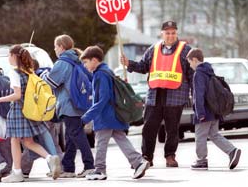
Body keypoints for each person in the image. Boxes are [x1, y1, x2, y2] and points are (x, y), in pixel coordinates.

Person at [121, 21, 194, 167]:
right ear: (162, 34)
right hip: (154, 96)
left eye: (173, 32)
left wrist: (194, 94)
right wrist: (129, 63)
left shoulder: (185, 50)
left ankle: (170, 156)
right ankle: (147, 157)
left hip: (176, 96)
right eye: (167, 33)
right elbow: (143, 66)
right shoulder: (153, 49)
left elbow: (191, 73)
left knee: (172, 129)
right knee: (149, 128)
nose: (170, 35)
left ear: (177, 33)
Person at [80, 45, 149, 180]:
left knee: (100, 141)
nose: (84, 65)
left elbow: (103, 98)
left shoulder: (100, 74)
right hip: (115, 114)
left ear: (94, 60)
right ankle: (138, 162)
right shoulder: (107, 71)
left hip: (105, 116)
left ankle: (99, 170)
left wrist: (86, 117)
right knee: (121, 138)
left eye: (85, 62)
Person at [0, 45, 61, 183]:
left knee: (14, 140)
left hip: (17, 111)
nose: (8, 58)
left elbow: (16, 95)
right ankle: (50, 158)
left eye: (9, 55)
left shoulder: (14, 73)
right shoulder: (28, 71)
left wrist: (0, 99)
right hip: (28, 110)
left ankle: (17, 172)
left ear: (14, 56)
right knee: (28, 141)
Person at [42, 35, 95, 178]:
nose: (54, 49)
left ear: (61, 47)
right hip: (79, 103)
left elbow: (50, 84)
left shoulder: (62, 62)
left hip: (68, 104)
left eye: (55, 46)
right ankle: (69, 167)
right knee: (71, 137)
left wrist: (44, 74)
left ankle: (89, 166)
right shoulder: (76, 59)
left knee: (76, 134)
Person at [186, 48, 241, 170]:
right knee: (214, 134)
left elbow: (199, 95)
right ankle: (232, 151)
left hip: (204, 112)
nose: (190, 66)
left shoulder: (198, 74)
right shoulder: (210, 72)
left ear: (195, 60)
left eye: (190, 62)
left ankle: (201, 161)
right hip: (214, 110)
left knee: (200, 136)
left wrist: (199, 113)